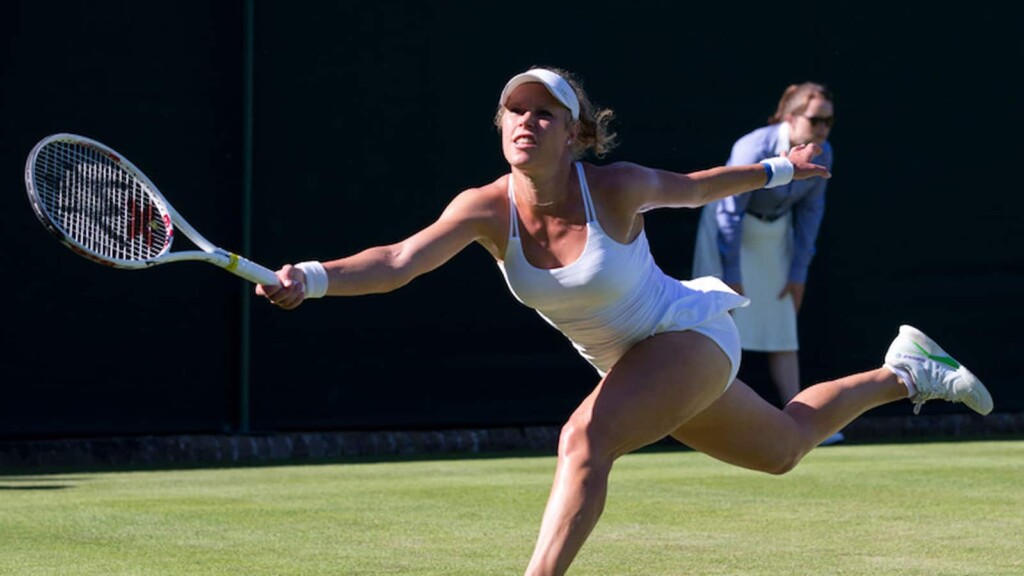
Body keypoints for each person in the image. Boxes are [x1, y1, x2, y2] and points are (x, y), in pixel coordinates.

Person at [256, 67, 993, 576]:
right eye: (516, 110)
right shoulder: (482, 209)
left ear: (575, 133)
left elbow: (699, 187)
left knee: (585, 438)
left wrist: (780, 169)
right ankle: (905, 370)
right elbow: (397, 261)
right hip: (632, 365)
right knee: (784, 446)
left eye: (545, 112)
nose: (527, 122)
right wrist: (312, 279)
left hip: (689, 337)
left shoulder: (613, 187)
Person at [692, 82, 843, 444]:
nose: (822, 128)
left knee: (782, 326)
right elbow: (729, 212)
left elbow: (811, 214)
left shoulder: (824, 153)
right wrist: (731, 275)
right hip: (726, 231)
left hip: (775, 236)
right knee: (721, 325)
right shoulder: (752, 147)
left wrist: (798, 274)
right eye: (815, 119)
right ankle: (714, 420)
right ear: (791, 117)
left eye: (829, 121)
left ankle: (801, 420)